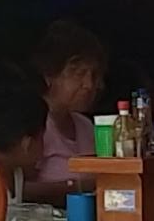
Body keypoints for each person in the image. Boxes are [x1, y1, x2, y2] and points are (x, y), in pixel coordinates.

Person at [17, 19, 108, 198]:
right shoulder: (33, 124)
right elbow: (19, 189)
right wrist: (77, 187)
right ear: (49, 75)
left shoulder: (86, 126)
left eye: (94, 75)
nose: (89, 85)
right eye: (78, 74)